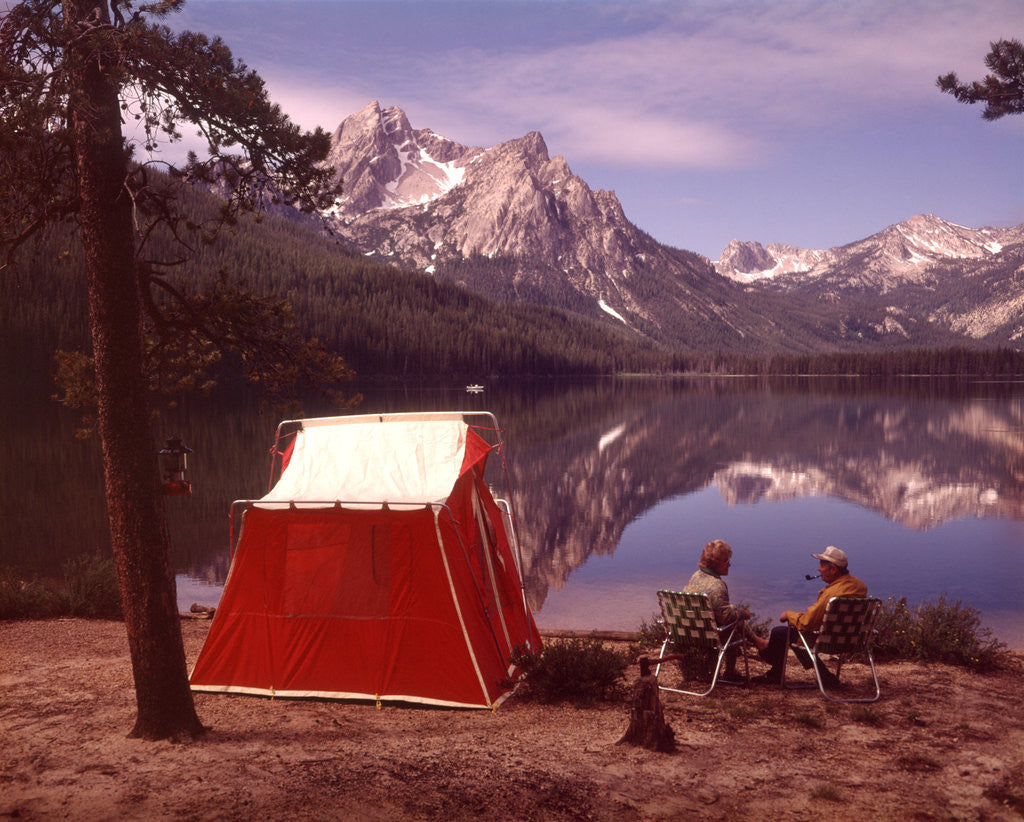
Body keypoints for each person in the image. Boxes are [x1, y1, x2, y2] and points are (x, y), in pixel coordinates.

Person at [755, 545, 867, 686]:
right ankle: (825, 676)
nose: (818, 569)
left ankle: (775, 673)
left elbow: (808, 623)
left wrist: (788, 615)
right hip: (851, 640)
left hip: (827, 641)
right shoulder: (860, 586)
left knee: (779, 633)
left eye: (821, 565)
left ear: (833, 569)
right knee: (790, 632)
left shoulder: (831, 594)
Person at [683, 539, 769, 680]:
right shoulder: (717, 585)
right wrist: (743, 613)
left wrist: (734, 609)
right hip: (708, 635)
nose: (729, 564)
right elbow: (726, 618)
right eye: (725, 561)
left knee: (732, 611)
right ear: (714, 563)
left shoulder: (696, 576)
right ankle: (730, 671)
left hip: (689, 631)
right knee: (733, 625)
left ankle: (757, 641)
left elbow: (719, 610)